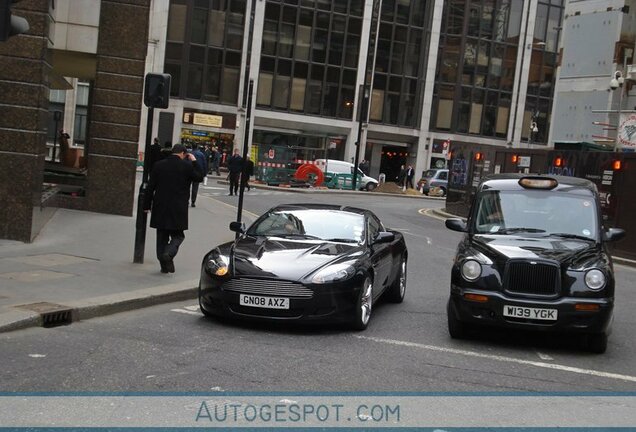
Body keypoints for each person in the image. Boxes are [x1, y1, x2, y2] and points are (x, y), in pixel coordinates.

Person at [143, 143, 203, 273]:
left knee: (161, 237)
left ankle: (164, 266)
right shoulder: (187, 166)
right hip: (178, 207)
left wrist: (146, 205)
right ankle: (169, 253)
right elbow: (199, 176)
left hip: (160, 206)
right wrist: (194, 161)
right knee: (178, 235)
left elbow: (150, 187)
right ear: (183, 153)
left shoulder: (159, 165)